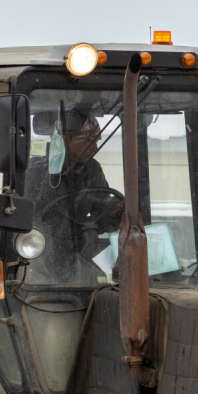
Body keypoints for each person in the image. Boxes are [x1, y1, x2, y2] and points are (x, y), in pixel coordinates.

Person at [24, 108, 124, 283]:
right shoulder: (35, 169)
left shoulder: (92, 169)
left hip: (79, 256)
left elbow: (100, 214)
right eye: (90, 140)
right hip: (38, 258)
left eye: (97, 141)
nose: (95, 147)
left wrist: (114, 211)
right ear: (65, 138)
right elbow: (30, 218)